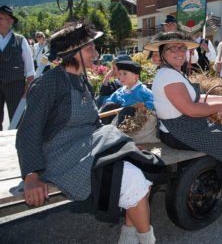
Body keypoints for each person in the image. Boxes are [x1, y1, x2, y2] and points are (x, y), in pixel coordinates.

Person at [15, 21, 164, 244]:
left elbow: (94, 125)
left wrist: (124, 148)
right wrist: (32, 176)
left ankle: (130, 237)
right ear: (72, 52)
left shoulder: (81, 79)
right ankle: (147, 240)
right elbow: (28, 132)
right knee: (133, 178)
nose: (96, 53)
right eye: (90, 48)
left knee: (140, 169)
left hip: (88, 147)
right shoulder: (47, 84)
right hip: (61, 157)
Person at [149, 31, 222, 214]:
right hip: (180, 131)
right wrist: (221, 107)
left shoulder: (173, 73)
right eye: (173, 48)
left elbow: (196, 97)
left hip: (184, 126)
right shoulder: (168, 76)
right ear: (163, 53)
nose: (179, 51)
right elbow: (191, 108)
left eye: (182, 47)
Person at [0, 5, 35, 131]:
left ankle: (18, 147)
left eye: (0, 18)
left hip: (15, 85)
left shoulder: (20, 41)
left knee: (17, 119)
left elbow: (30, 69)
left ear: (11, 21)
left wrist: (28, 89)